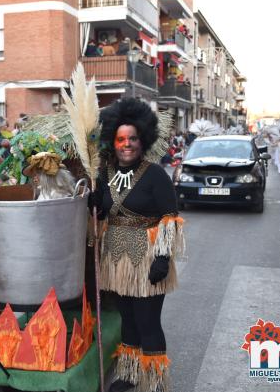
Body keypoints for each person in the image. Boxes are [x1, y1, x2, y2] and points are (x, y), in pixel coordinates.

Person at [89, 98, 185, 392]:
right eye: (121, 139)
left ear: (142, 140)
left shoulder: (155, 174)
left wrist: (163, 258)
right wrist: (95, 204)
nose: (126, 144)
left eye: (132, 138)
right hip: (116, 260)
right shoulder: (104, 174)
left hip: (147, 260)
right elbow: (105, 212)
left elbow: (170, 218)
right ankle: (130, 374)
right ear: (113, 142)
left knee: (148, 323)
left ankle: (154, 381)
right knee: (127, 321)